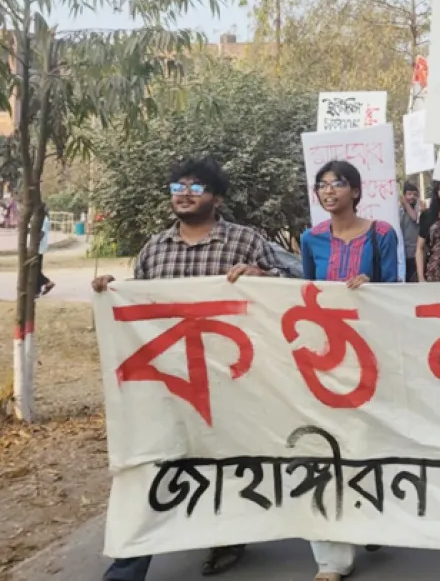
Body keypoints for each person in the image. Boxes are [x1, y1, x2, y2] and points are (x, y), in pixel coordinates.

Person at [92, 158, 283, 581]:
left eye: (196, 187)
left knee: (228, 462)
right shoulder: (155, 249)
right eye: (177, 185)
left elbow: (292, 285)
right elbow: (136, 305)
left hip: (233, 381)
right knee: (155, 464)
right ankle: (129, 565)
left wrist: (262, 275)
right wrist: (111, 292)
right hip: (167, 384)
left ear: (216, 197)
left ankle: (227, 534)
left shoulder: (245, 243)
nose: (183, 193)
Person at [300, 160, 398, 579]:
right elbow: (305, 293)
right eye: (321, 185)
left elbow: (396, 292)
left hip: (371, 356)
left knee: (365, 442)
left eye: (337, 183)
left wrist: (369, 289)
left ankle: (369, 513)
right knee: (324, 448)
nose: (328, 191)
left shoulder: (382, 235)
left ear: (356, 191)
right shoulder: (310, 239)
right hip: (323, 358)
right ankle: (331, 559)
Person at [398, 181, 423, 282]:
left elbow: (414, 217)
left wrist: (405, 203)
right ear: (404, 195)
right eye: (409, 194)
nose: (412, 197)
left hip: (415, 254)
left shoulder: (419, 208)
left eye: (415, 194)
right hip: (402, 254)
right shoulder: (399, 210)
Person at [35, 213, 54, 296]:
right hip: (40, 248)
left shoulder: (42, 218)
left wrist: (34, 242)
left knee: (35, 269)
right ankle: (37, 290)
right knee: (36, 269)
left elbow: (41, 233)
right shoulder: (42, 217)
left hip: (38, 248)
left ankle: (47, 282)